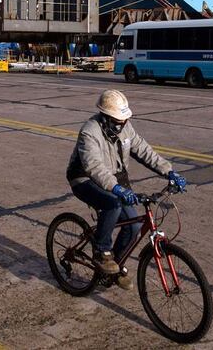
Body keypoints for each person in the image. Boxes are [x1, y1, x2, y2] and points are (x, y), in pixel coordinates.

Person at [66, 89, 186, 290]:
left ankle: (114, 267)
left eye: (123, 121)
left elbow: (144, 151)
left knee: (134, 226)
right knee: (112, 204)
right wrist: (116, 189)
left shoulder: (125, 128)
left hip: (115, 179)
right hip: (85, 178)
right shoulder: (90, 131)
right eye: (117, 121)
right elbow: (94, 166)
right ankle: (102, 253)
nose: (121, 125)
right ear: (104, 117)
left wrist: (169, 172)